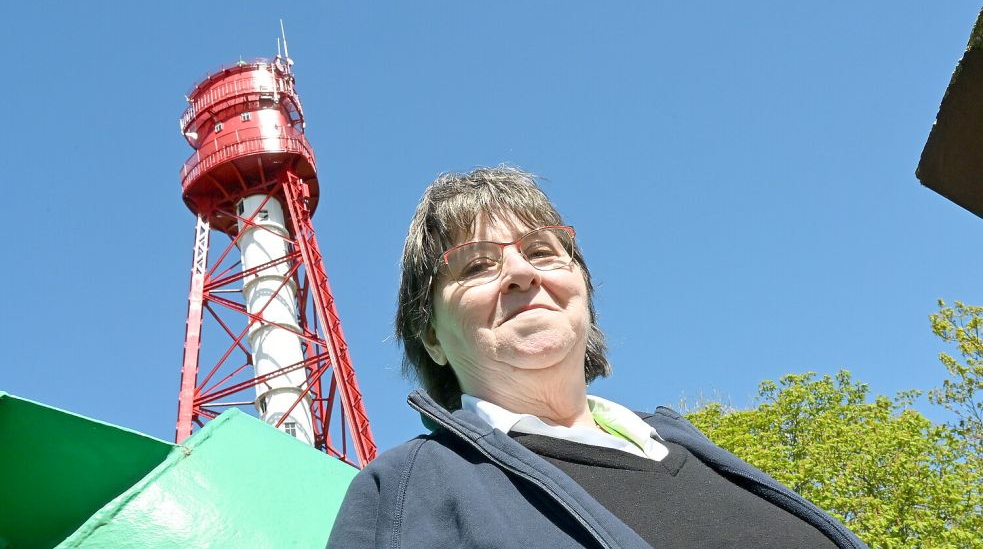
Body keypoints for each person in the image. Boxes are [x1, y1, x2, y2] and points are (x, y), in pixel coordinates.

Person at [328, 166, 868, 549]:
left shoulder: (696, 451)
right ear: (431, 339)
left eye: (542, 251)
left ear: (583, 292)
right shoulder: (404, 492)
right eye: (475, 266)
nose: (523, 273)